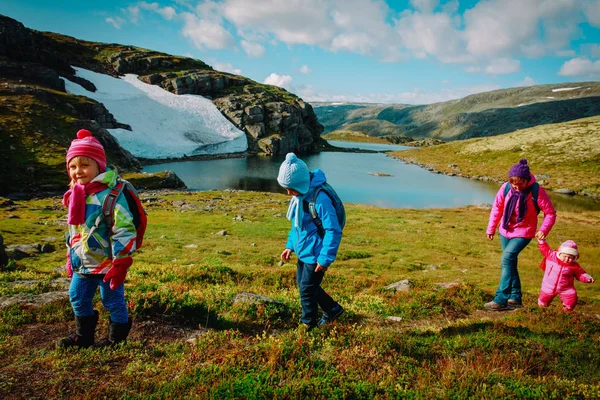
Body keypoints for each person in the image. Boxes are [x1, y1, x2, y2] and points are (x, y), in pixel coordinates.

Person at [57, 129, 137, 349]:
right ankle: (83, 337)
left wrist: (121, 262)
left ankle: (115, 340)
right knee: (77, 296)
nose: (78, 171)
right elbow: (75, 231)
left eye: (84, 165)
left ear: (99, 166)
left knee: (112, 300)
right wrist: (70, 257)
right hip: (83, 263)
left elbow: (124, 230)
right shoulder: (76, 194)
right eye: (73, 166)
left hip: (109, 263)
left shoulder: (109, 196)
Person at [277, 153, 344, 330]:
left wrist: (324, 259)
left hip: (316, 254)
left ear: (300, 183)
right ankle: (333, 309)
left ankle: (309, 323)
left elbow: (333, 230)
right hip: (304, 250)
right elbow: (297, 226)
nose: (288, 192)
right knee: (306, 286)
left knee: (306, 289)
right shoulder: (299, 197)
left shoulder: (319, 199)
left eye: (290, 188)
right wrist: (290, 246)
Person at [485, 159, 556, 311]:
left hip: (524, 232)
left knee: (506, 259)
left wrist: (543, 230)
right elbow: (497, 208)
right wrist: (491, 228)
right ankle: (515, 298)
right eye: (513, 184)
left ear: (527, 180)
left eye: (520, 184)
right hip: (505, 231)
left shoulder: (536, 191)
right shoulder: (505, 188)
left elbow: (550, 213)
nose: (517, 187)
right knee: (510, 262)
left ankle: (500, 299)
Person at [537, 239, 594, 312]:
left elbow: (580, 274)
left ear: (574, 258)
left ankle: (566, 313)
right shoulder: (551, 256)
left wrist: (587, 278)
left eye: (570, 257)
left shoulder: (574, 266)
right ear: (559, 253)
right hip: (548, 286)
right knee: (543, 301)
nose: (567, 259)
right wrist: (541, 241)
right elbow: (544, 248)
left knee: (571, 300)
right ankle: (542, 311)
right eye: (565, 256)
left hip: (566, 288)